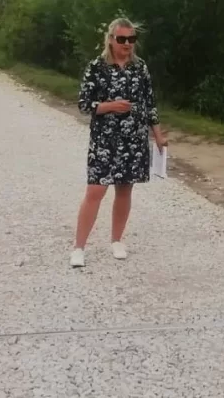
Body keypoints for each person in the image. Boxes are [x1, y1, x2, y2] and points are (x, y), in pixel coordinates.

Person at [71, 17, 167, 268]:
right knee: (95, 190)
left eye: (131, 39)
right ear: (111, 40)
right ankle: (79, 247)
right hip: (105, 139)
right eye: (122, 39)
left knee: (125, 189)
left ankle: (116, 240)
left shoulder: (140, 67)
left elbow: (150, 103)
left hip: (134, 139)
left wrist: (157, 134)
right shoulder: (97, 67)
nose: (127, 44)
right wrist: (110, 106)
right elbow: (84, 104)